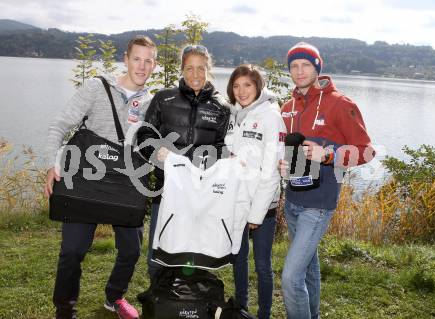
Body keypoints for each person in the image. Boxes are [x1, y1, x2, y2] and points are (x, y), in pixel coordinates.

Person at [44, 36, 157, 319]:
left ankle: (114, 297)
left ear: (154, 65)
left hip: (124, 185)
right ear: (126, 58)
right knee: (72, 251)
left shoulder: (151, 104)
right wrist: (50, 163)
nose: (141, 66)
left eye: (148, 60)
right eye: (136, 59)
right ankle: (64, 308)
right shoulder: (97, 87)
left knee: (131, 250)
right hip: (86, 180)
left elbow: (155, 147)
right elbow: (60, 124)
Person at [279, 42, 375, 319]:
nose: (299, 72)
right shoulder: (288, 107)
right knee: (308, 268)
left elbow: (366, 151)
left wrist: (329, 154)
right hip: (293, 200)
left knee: (290, 278)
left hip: (318, 205)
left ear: (317, 67)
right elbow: (286, 149)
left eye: (305, 65)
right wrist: (282, 163)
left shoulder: (340, 105)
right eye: (294, 66)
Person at [136, 44, 230, 280]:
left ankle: (188, 302)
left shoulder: (221, 107)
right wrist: (158, 151)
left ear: (208, 69)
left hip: (201, 195)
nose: (195, 74)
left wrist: (217, 163)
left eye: (201, 68)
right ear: (181, 69)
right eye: (189, 68)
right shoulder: (163, 98)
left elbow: (222, 147)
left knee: (194, 253)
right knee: (159, 250)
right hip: (166, 190)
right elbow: (145, 135)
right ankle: (158, 299)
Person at [225, 65, 286, 319]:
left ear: (258, 86)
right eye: (236, 86)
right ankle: (240, 308)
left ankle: (264, 314)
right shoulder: (234, 114)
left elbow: (272, 172)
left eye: (247, 85)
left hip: (263, 206)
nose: (241, 91)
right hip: (237, 199)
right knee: (237, 257)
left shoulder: (271, 116)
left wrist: (256, 214)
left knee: (262, 265)